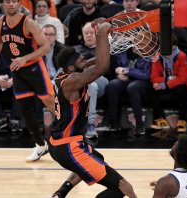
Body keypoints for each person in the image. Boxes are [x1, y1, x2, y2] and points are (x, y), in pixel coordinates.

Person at [48, 20, 137, 198]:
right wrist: (102, 33)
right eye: (81, 59)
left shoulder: (67, 74)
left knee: (98, 159)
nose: (84, 60)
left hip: (62, 142)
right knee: (122, 187)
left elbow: (98, 60)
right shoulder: (72, 81)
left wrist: (110, 41)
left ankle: (60, 194)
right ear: (72, 67)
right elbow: (103, 66)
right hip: (69, 147)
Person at [0, 0, 55, 162]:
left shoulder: (28, 22)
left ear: (19, 4)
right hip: (17, 70)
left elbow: (46, 47)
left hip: (34, 68)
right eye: (8, 1)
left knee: (51, 104)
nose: (11, 4)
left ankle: (74, 136)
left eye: (14, 1)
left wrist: (25, 58)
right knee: (25, 109)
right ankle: (40, 145)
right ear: (3, 4)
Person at [150, 33, 187, 133]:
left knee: (182, 89)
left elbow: (183, 78)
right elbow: (153, 77)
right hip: (167, 82)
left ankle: (182, 119)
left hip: (178, 85)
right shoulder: (158, 57)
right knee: (151, 88)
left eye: (173, 47)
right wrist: (167, 79)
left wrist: (165, 84)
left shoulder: (182, 56)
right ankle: (160, 119)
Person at [74, 22, 108, 139]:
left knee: (92, 84)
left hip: (101, 81)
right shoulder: (75, 50)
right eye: (86, 33)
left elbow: (108, 69)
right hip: (82, 82)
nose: (88, 35)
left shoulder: (104, 48)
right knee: (89, 85)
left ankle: (90, 123)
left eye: (91, 33)